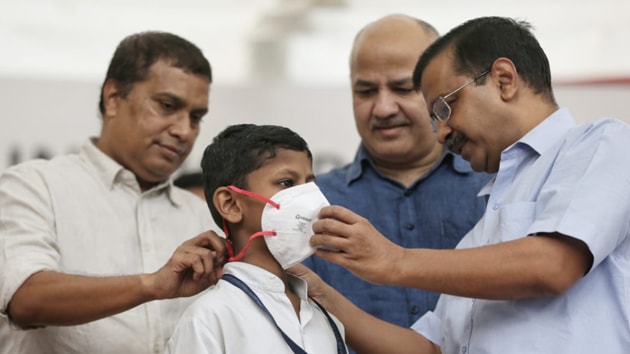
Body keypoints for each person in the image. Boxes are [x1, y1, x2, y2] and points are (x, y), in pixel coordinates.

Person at [292, 16, 630, 354]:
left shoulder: (603, 143)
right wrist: (321, 296)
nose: (442, 132)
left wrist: (394, 261)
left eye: (444, 107)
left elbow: (553, 265)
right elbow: (429, 348)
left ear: (503, 79)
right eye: (435, 117)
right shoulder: (480, 234)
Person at [0, 31, 227, 354]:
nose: (184, 130)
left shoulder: (202, 217)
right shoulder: (34, 186)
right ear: (113, 98)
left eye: (196, 117)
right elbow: (24, 299)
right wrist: (151, 285)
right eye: (166, 105)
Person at [303, 14, 492, 329]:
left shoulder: (497, 185)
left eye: (403, 88)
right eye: (365, 91)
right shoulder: (314, 204)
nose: (383, 108)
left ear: (440, 90)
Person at [165, 124, 348, 354]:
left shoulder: (324, 317)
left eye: (310, 184)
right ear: (230, 204)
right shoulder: (210, 318)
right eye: (287, 183)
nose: (308, 199)